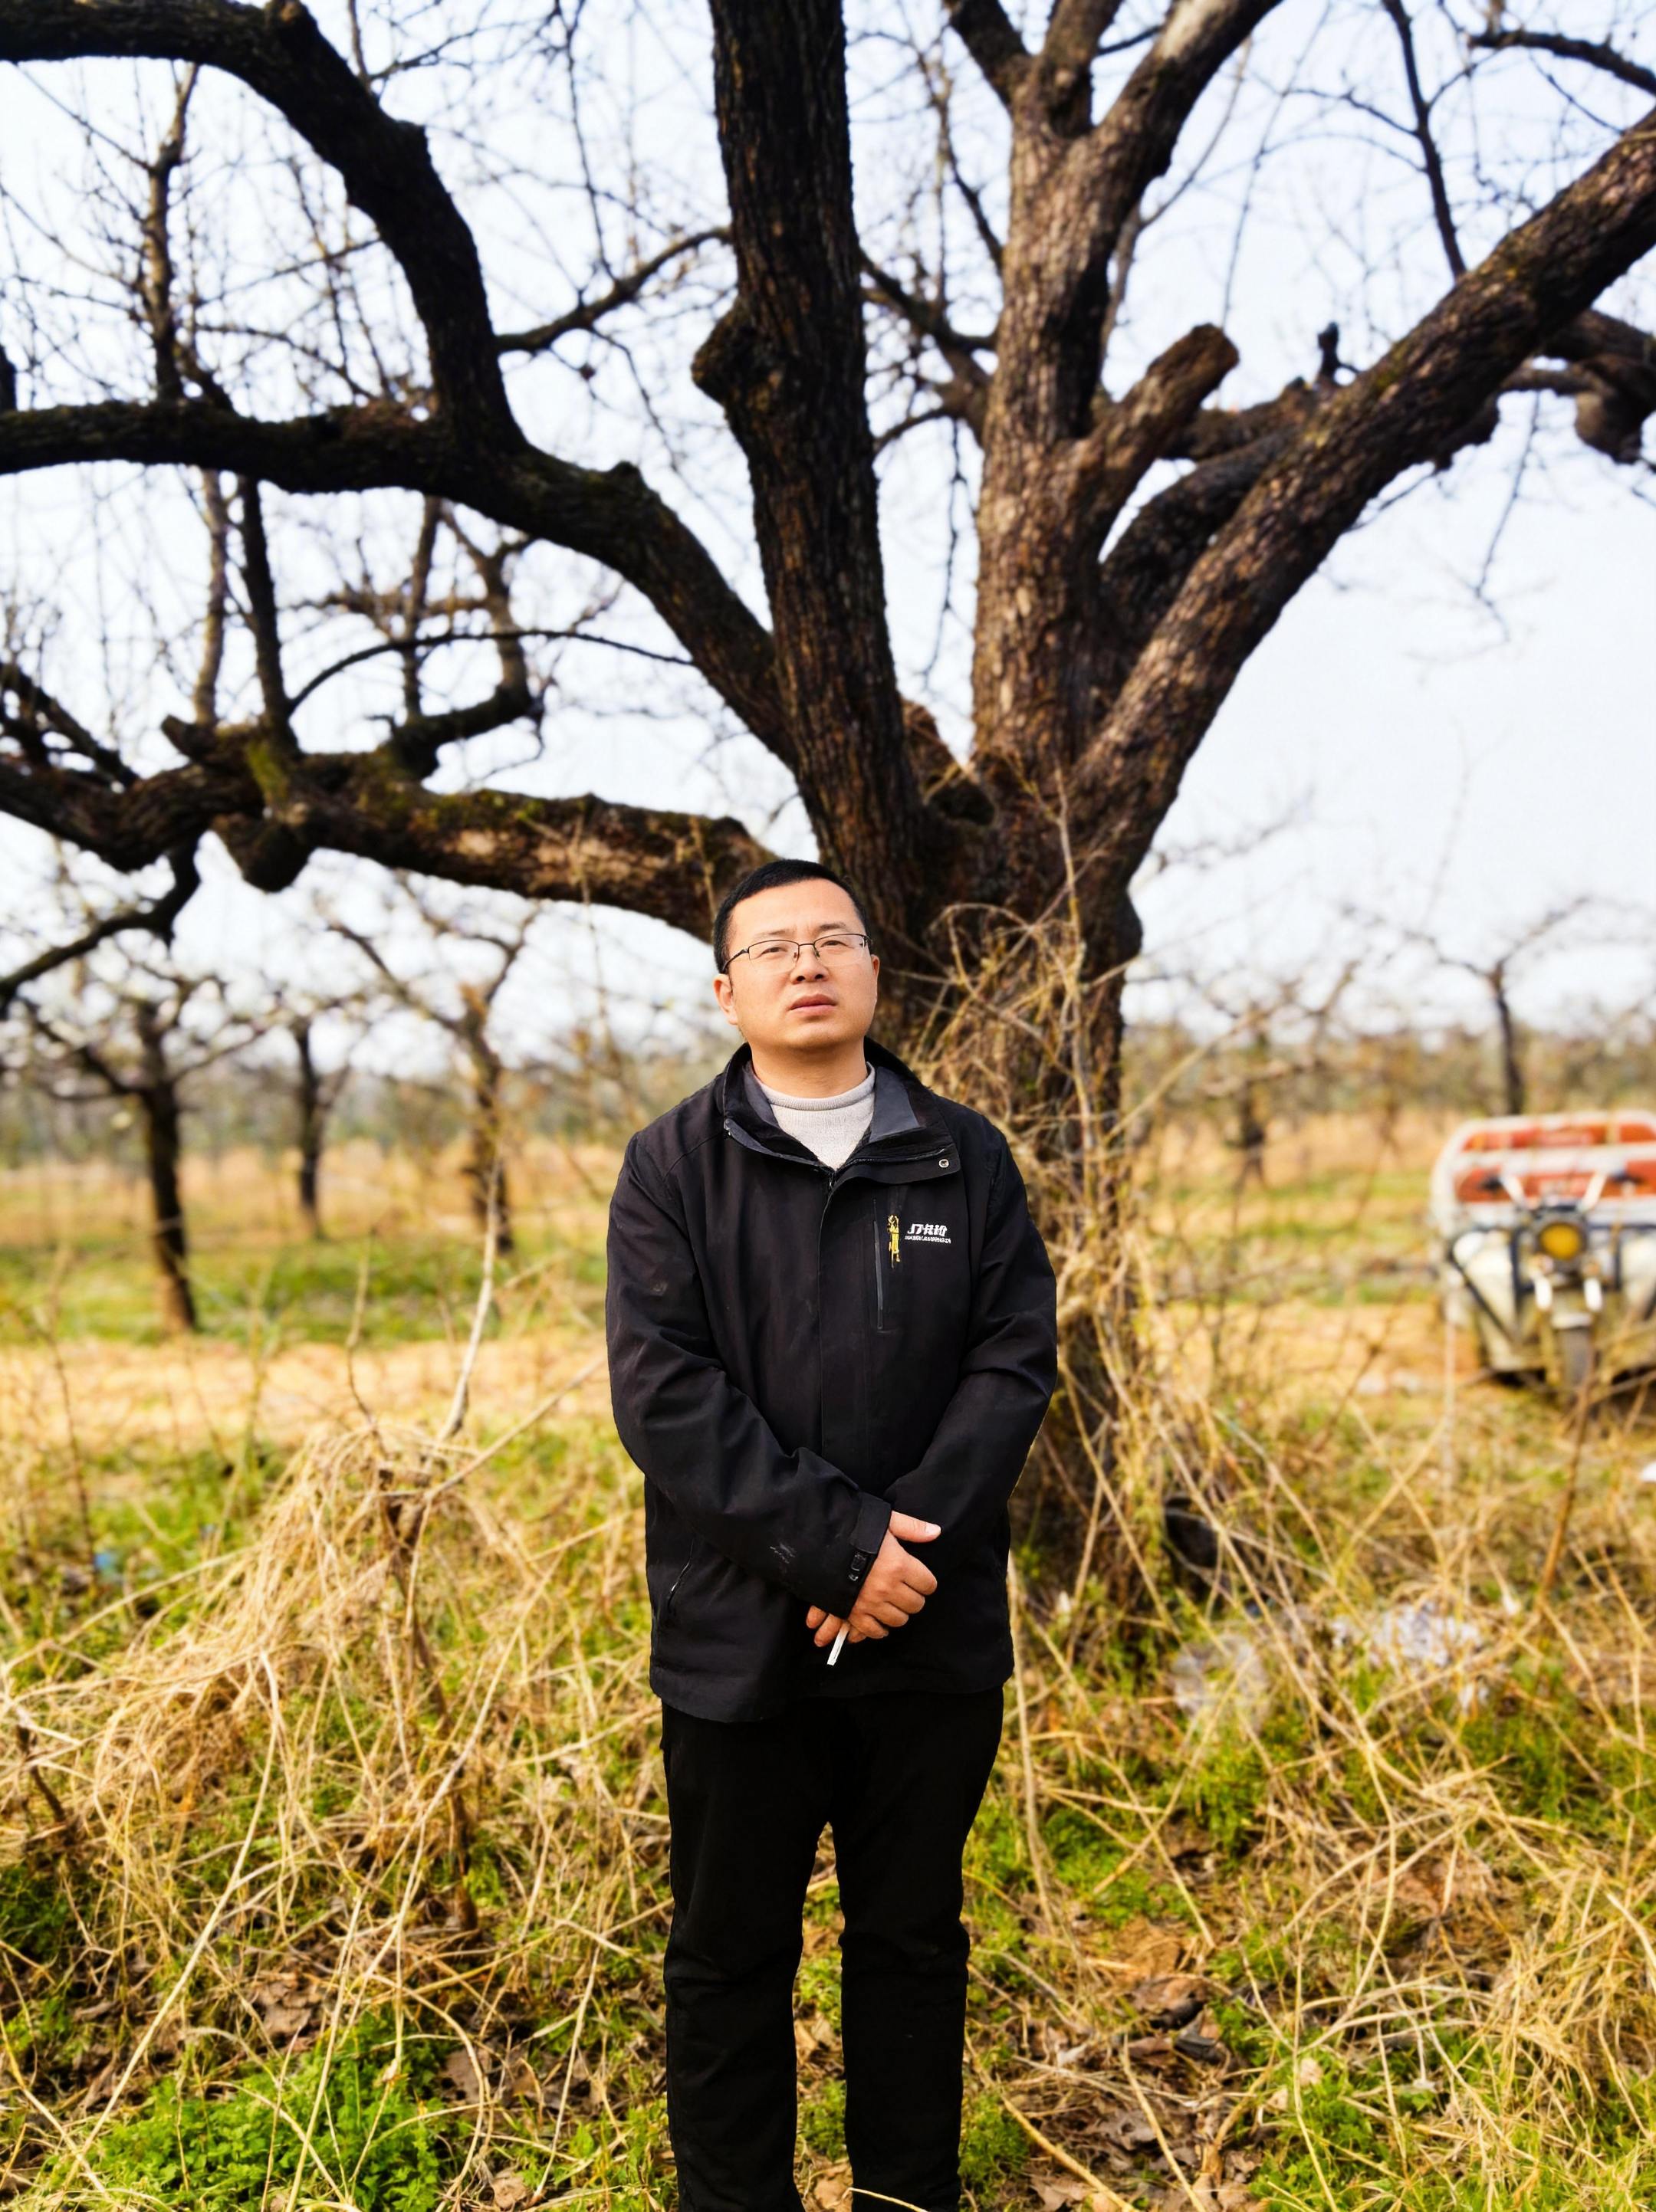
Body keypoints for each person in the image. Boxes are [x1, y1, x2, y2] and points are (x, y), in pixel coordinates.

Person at [605, 856, 1057, 2212]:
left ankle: (906, 2198)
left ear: (873, 969)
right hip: (741, 1638)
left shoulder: (961, 1155)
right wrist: (832, 1553)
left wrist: (891, 1559)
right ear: (729, 989)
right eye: (774, 947)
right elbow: (667, 1395)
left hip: (927, 1630)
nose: (807, 962)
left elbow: (1012, 1361)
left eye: (833, 939)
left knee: (910, 1941)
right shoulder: (675, 1164)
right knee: (729, 1952)